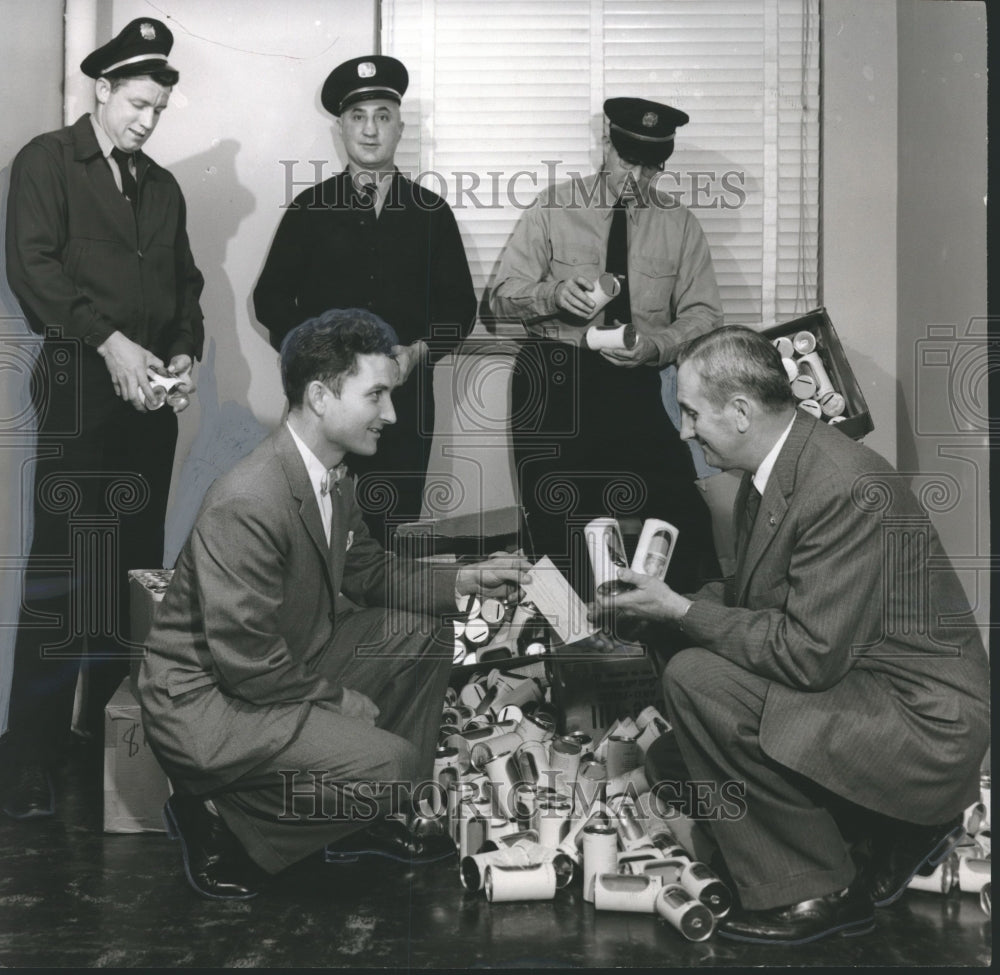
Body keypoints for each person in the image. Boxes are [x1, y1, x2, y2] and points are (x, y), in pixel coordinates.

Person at [597, 326, 990, 945]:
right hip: (865, 689)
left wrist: (680, 611)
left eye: (691, 412)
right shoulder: (780, 466)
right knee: (672, 764)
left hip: (922, 725)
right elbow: (764, 599)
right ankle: (881, 828)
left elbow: (807, 657)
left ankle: (813, 889)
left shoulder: (840, 483)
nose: (684, 430)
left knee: (695, 679)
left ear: (742, 412)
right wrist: (663, 608)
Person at [137, 309, 529, 900]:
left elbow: (367, 568)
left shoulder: (331, 473)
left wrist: (466, 582)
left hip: (284, 660)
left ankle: (356, 817)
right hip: (210, 703)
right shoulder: (248, 500)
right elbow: (247, 663)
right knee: (393, 767)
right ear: (321, 397)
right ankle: (217, 816)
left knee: (425, 633)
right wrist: (341, 701)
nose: (391, 414)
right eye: (377, 395)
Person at [2, 19, 204, 820]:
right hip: (81, 389)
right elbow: (34, 269)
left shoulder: (161, 186)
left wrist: (182, 354)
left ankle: (106, 742)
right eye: (138, 104)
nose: (148, 121)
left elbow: (184, 289)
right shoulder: (46, 161)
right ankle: (30, 759)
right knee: (62, 574)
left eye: (158, 110)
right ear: (101, 89)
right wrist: (111, 343)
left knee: (126, 574)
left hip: (148, 401)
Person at [489, 96, 723, 598]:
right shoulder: (553, 208)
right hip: (556, 377)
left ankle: (673, 634)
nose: (635, 177)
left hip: (638, 383)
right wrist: (551, 295)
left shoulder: (680, 225)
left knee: (682, 512)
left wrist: (657, 345)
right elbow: (499, 302)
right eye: (626, 160)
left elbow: (704, 316)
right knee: (559, 520)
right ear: (605, 145)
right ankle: (570, 645)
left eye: (651, 167)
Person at [253, 55, 477, 548]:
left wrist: (418, 353)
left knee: (395, 536)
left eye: (382, 116)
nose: (370, 130)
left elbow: (460, 308)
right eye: (358, 117)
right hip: (324, 407)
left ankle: (387, 628)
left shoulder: (431, 213)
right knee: (320, 533)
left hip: (405, 404)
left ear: (400, 127)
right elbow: (269, 298)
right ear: (341, 129)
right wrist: (318, 362)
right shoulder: (310, 208)